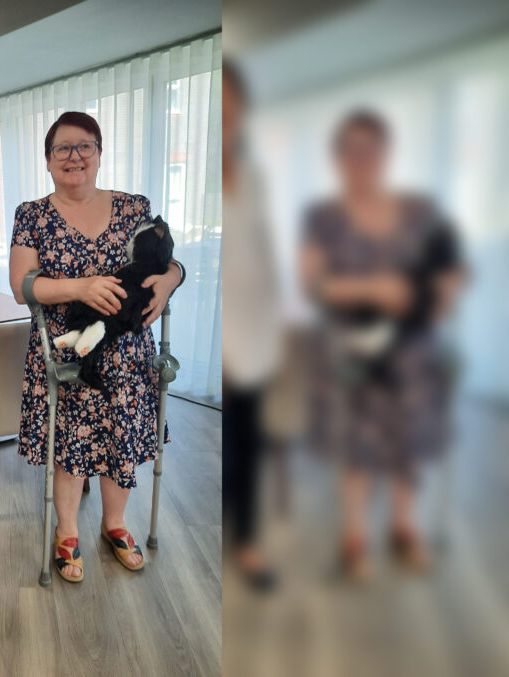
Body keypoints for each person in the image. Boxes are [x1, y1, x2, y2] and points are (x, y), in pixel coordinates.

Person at [8, 111, 183, 584]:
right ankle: (66, 531)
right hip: (69, 357)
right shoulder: (32, 215)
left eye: (85, 145)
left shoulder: (133, 207)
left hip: (128, 357)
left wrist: (170, 281)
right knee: (69, 449)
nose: (74, 156)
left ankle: (115, 525)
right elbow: (21, 284)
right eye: (62, 148)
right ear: (47, 160)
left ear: (100, 153)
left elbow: (166, 259)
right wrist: (80, 288)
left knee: (119, 443)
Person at [299, 110, 465, 582]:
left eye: (371, 149)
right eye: (351, 150)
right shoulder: (324, 217)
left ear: (387, 154)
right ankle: (355, 538)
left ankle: (404, 527)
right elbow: (313, 284)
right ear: (339, 159)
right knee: (359, 449)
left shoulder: (421, 211)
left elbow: (451, 272)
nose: (362, 159)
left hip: (415, 352)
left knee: (407, 447)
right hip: (352, 351)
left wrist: (434, 303)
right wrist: (374, 289)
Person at [221, 60, 281, 591]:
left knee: (249, 436)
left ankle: (249, 542)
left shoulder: (258, 176)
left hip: (251, 326)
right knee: (233, 442)